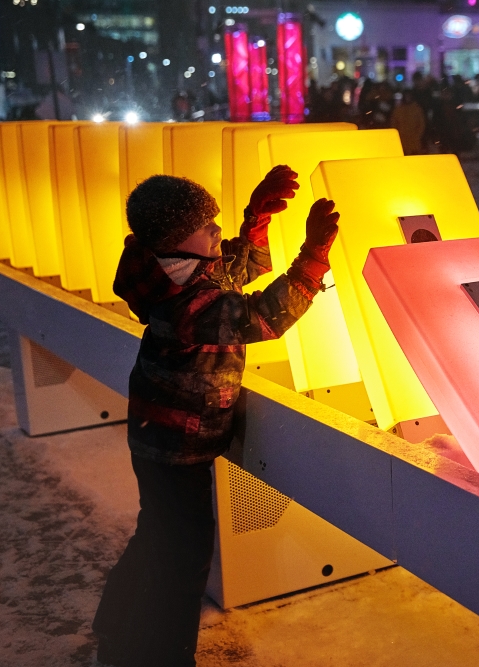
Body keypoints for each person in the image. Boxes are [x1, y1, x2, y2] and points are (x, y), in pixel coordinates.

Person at [93, 167, 342, 667]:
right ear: (173, 241)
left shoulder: (171, 269)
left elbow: (236, 267)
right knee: (184, 559)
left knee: (156, 532)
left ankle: (115, 622)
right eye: (205, 224)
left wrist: (257, 219)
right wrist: (313, 257)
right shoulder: (184, 304)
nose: (216, 228)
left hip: (158, 435)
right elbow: (262, 316)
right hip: (174, 445)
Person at [391, 89, 427, 155]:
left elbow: (421, 124)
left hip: (414, 141)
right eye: (406, 96)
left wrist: (417, 136)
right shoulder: (398, 109)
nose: (408, 98)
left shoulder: (417, 109)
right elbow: (394, 123)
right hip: (402, 140)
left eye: (409, 96)